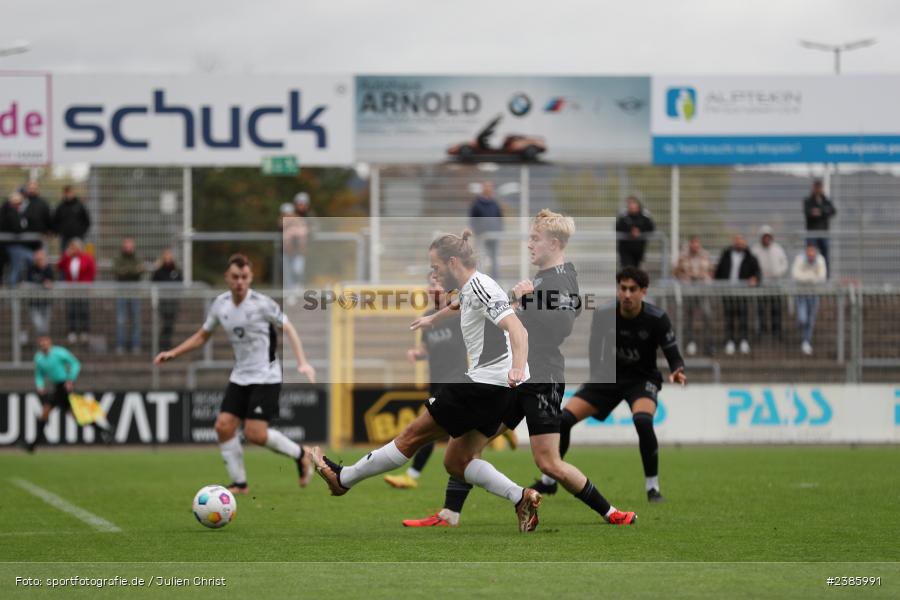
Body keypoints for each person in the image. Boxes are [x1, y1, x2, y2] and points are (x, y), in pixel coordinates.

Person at [402, 210, 637, 528]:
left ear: (553, 243)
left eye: (534, 239)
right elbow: (494, 304)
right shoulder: (541, 279)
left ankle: (612, 513)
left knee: (548, 462)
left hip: (541, 376)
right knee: (460, 451)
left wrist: (526, 301)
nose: (529, 245)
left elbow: (562, 325)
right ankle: (449, 514)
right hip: (510, 374)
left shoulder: (563, 279)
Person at [310, 230, 545, 533]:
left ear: (451, 261)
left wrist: (515, 367)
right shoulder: (474, 286)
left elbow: (518, 330)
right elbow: (461, 305)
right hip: (502, 391)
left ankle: (343, 479)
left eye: (435, 267)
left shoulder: (481, 285)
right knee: (456, 460)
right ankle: (520, 496)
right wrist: (432, 320)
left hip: (485, 384)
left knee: (410, 437)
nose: (433, 274)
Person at [154, 254, 317, 494]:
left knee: (254, 434)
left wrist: (302, 363)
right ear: (227, 278)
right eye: (235, 277)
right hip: (240, 376)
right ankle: (239, 483)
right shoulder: (220, 305)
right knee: (223, 426)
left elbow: (289, 327)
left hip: (266, 376)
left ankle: (301, 455)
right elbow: (202, 336)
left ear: (250, 278)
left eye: (244, 277)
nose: (240, 281)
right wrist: (174, 353)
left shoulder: (262, 303)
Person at [533, 267, 686, 503]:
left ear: (643, 291)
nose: (626, 294)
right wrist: (596, 378)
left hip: (642, 379)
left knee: (643, 421)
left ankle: (652, 488)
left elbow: (672, 352)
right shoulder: (604, 314)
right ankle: (549, 481)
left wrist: (677, 369)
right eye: (622, 288)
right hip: (608, 378)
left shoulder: (657, 319)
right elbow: (595, 348)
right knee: (563, 420)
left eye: (632, 289)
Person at [383, 271, 468, 490]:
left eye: (437, 284)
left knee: (430, 427)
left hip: (456, 379)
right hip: (436, 381)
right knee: (449, 429)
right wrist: (416, 353)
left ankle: (412, 475)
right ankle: (499, 426)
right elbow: (425, 347)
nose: (433, 289)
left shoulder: (459, 312)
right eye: (430, 285)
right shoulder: (428, 316)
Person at [26, 334, 112, 452]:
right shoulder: (39, 358)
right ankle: (104, 430)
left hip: (64, 386)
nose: (43, 345)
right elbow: (39, 374)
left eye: (45, 342)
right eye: (41, 343)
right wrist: (40, 385)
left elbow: (75, 363)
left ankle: (33, 445)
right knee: (76, 416)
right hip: (57, 387)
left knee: (46, 412)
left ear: (49, 342)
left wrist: (70, 379)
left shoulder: (59, 353)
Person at [714, 234, 761, 355]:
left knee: (743, 317)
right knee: (728, 317)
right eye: (737, 241)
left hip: (743, 292)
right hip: (728, 291)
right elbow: (719, 271)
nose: (739, 243)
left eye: (742, 241)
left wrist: (755, 278)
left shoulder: (750, 256)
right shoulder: (726, 254)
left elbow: (757, 272)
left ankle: (743, 341)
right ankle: (729, 341)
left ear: (745, 243)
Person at [673, 234, 713, 356]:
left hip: (702, 291)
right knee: (688, 317)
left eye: (697, 243)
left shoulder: (706, 255)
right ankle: (690, 342)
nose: (695, 245)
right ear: (690, 244)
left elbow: (711, 271)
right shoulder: (683, 257)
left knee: (707, 315)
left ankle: (708, 344)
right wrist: (685, 278)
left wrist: (705, 279)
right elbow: (676, 272)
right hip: (688, 291)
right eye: (693, 243)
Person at [751, 225, 788, 341]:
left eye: (768, 236)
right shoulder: (755, 249)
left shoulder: (778, 249)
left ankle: (776, 332)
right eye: (764, 236)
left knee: (776, 309)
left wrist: (778, 273)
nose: (766, 239)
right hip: (761, 285)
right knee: (760, 309)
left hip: (775, 284)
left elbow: (784, 264)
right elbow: (751, 264)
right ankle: (761, 331)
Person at [57, 238, 95, 345]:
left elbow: (91, 272)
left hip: (83, 289)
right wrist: (66, 255)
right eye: (71, 247)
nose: (73, 249)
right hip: (71, 289)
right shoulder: (68, 258)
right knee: (71, 310)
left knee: (84, 310)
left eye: (75, 247)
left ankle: (84, 331)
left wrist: (86, 285)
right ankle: (72, 331)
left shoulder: (87, 258)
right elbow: (59, 266)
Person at [792, 244, 827, 356]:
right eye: (809, 250)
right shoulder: (800, 258)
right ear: (806, 251)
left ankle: (806, 341)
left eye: (813, 251)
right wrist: (812, 276)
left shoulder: (820, 260)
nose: (811, 253)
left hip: (814, 294)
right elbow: (796, 275)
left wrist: (806, 276)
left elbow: (822, 277)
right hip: (801, 294)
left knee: (810, 320)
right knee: (803, 319)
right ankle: (802, 332)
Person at [113, 238, 145, 355]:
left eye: (131, 246)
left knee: (136, 320)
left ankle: (135, 345)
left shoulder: (137, 258)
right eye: (127, 246)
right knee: (121, 320)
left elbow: (141, 270)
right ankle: (120, 345)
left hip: (135, 293)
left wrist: (127, 271)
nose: (129, 248)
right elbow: (117, 271)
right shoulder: (118, 258)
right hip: (122, 293)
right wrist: (132, 271)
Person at [469, 182, 504, 279]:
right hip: (481, 237)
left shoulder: (495, 204)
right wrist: (478, 232)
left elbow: (500, 218)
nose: (489, 190)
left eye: (490, 188)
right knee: (480, 258)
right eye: (487, 188)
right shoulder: (476, 204)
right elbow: (473, 220)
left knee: (495, 260)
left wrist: (499, 231)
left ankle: (495, 279)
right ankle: (480, 279)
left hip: (494, 237)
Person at [151, 248, 183, 350]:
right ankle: (162, 343)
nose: (168, 258)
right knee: (165, 323)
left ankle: (166, 343)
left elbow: (180, 282)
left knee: (170, 324)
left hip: (173, 302)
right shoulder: (159, 271)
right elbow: (153, 281)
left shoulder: (176, 271)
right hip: (163, 302)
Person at [803, 180, 836, 273]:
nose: (818, 189)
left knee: (825, 256)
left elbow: (832, 211)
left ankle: (825, 276)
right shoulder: (808, 200)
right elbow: (808, 213)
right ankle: (808, 274)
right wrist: (822, 212)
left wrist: (820, 211)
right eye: (816, 187)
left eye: (819, 187)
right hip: (811, 233)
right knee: (810, 256)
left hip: (823, 233)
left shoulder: (825, 200)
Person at [615, 195, 655, 268]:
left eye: (634, 203)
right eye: (630, 203)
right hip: (625, 250)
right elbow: (618, 227)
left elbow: (651, 227)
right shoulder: (623, 216)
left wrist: (640, 231)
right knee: (627, 269)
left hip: (639, 250)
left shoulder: (645, 216)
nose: (632, 206)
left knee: (636, 270)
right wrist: (630, 231)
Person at [24, 248, 55, 337]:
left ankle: (42, 342)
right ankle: (41, 341)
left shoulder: (48, 268)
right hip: (34, 302)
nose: (38, 260)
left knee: (45, 326)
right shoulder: (31, 268)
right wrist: (42, 282)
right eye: (37, 259)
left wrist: (43, 268)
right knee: (38, 324)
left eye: (41, 258)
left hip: (46, 302)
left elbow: (50, 281)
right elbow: (30, 281)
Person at [52, 185, 91, 254]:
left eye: (70, 192)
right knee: (65, 256)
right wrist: (59, 231)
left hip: (78, 237)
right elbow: (55, 220)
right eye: (67, 193)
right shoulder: (60, 206)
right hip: (65, 237)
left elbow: (86, 221)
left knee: (79, 256)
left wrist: (82, 232)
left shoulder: (80, 205)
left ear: (73, 193)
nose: (68, 195)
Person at [282, 196, 310, 288]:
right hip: (288, 253)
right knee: (288, 275)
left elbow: (304, 234)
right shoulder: (285, 225)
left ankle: (298, 291)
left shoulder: (299, 222)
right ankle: (290, 295)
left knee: (298, 271)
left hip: (298, 253)